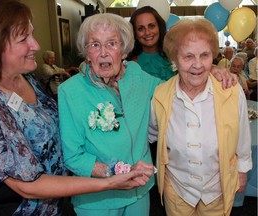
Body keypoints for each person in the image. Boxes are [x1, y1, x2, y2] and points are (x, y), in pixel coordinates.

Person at [0, 1, 155, 215]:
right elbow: (26, 185)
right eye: (24, 39)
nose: (36, 45)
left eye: (112, 44)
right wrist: (111, 180)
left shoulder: (26, 78)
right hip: (21, 209)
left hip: (57, 204)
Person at [58, 13, 237, 216]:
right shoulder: (70, 92)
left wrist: (208, 68)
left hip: (139, 192)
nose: (104, 53)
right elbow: (73, 157)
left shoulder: (137, 76)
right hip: (98, 197)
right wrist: (116, 173)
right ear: (86, 53)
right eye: (95, 45)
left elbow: (173, 89)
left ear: (124, 50)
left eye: (112, 44)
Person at [149, 18, 252, 216]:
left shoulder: (231, 91)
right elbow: (152, 132)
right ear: (174, 59)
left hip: (217, 189)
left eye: (204, 55)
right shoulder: (161, 95)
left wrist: (241, 172)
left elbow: (242, 136)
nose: (198, 65)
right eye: (188, 56)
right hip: (177, 189)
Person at [128, 6, 175, 81]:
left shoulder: (174, 56)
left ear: (159, 27)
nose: (147, 32)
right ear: (134, 33)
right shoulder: (131, 64)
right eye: (141, 28)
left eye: (151, 26)